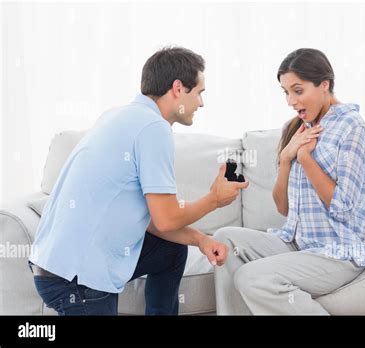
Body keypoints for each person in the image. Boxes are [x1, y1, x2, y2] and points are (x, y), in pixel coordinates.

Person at [29, 46, 249, 315]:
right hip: (76, 279)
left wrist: (201, 240)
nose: (201, 103)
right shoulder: (153, 129)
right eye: (199, 92)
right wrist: (214, 199)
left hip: (52, 266)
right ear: (178, 88)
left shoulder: (119, 116)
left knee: (171, 251)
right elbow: (167, 219)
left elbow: (157, 220)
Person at [213, 48, 365, 315]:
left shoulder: (351, 125)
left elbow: (345, 207)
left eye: (297, 91)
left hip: (336, 251)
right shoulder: (297, 128)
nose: (290, 100)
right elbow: (284, 209)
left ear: (324, 85)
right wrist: (288, 158)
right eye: (286, 92)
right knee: (224, 240)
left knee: (251, 277)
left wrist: (305, 158)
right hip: (296, 242)